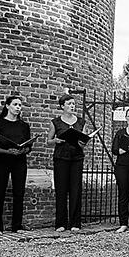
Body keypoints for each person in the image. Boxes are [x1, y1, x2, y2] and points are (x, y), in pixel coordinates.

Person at [0, 95, 32, 234]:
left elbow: (29, 146)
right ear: (7, 106)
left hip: (19, 161)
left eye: (20, 105)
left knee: (19, 193)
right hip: (2, 161)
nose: (18, 107)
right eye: (15, 104)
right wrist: (8, 151)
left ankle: (17, 226)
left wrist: (24, 149)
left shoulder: (24, 126)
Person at [47, 94, 87, 232]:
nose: (72, 106)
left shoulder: (81, 122)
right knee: (61, 190)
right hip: (61, 158)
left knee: (76, 190)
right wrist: (56, 141)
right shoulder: (55, 122)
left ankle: (75, 223)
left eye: (73, 104)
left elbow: (83, 140)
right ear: (62, 106)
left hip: (76, 158)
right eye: (69, 103)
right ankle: (61, 223)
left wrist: (83, 142)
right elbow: (49, 141)